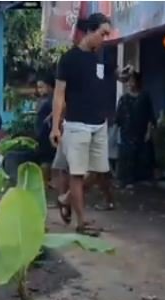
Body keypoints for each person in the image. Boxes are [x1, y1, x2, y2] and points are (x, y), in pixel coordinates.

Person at [50, 13, 121, 236]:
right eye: (103, 34)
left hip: (99, 124)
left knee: (100, 171)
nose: (105, 39)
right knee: (77, 174)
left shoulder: (101, 57)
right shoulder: (69, 59)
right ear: (90, 31)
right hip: (76, 124)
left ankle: (66, 198)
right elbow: (59, 94)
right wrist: (55, 126)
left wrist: (123, 73)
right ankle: (82, 222)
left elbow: (113, 73)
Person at [115, 71, 156, 187]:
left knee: (143, 155)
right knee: (127, 156)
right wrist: (116, 133)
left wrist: (149, 131)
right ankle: (126, 180)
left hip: (141, 132)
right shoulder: (124, 99)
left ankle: (142, 179)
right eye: (127, 81)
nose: (129, 84)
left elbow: (150, 116)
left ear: (137, 82)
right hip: (126, 133)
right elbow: (118, 118)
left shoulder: (144, 97)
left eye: (132, 81)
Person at [35, 73, 57, 186]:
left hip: (48, 132)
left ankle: (47, 182)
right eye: (38, 87)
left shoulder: (52, 100)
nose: (39, 90)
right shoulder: (44, 100)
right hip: (42, 132)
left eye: (41, 87)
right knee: (46, 159)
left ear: (49, 86)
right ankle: (46, 181)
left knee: (47, 160)